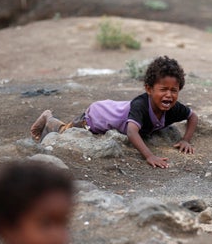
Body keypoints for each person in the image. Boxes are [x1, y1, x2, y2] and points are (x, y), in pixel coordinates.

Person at [30, 56, 198, 169]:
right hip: (96, 117)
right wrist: (149, 156)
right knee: (64, 131)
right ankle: (48, 117)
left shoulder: (173, 108)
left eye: (174, 90)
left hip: (113, 108)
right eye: (163, 89)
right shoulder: (140, 105)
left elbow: (193, 116)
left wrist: (185, 140)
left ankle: (49, 118)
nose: (169, 95)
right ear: (149, 89)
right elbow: (132, 132)